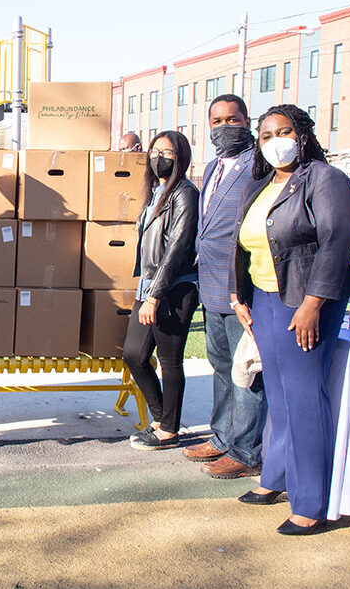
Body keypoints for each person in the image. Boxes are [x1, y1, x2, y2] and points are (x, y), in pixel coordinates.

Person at [230, 105, 350, 535]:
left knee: (305, 397)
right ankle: (276, 477)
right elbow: (245, 243)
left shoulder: (326, 180)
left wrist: (313, 304)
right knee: (280, 396)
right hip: (264, 299)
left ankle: (310, 502)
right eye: (265, 135)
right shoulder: (261, 183)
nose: (274, 142)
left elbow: (336, 244)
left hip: (305, 301)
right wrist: (239, 295)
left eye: (282, 131)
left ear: (302, 134)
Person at [183, 94, 267, 479]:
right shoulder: (214, 165)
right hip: (210, 281)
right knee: (219, 363)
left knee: (244, 367)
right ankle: (222, 435)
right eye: (216, 121)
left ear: (246, 121)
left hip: (240, 284)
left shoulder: (259, 164)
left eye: (231, 119)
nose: (223, 127)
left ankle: (247, 450)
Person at [123, 130, 200, 451]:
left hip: (172, 289)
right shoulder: (156, 193)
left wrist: (155, 295)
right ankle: (161, 418)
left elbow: (179, 248)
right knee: (134, 355)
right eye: (155, 151)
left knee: (169, 361)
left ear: (180, 156)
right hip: (149, 284)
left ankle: (169, 430)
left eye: (167, 153)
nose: (159, 158)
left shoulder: (185, 193)